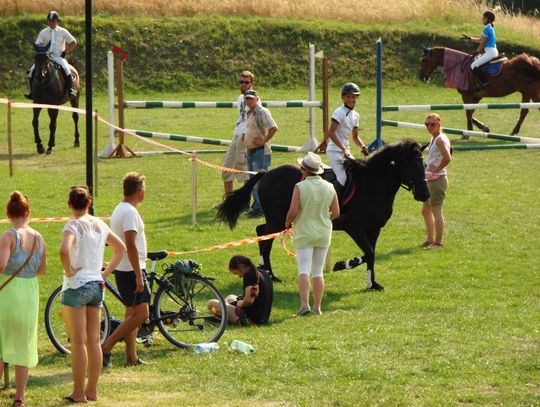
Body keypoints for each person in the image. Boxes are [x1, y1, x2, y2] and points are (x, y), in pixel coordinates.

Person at [59, 187, 126, 403]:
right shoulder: (100, 224)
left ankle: (79, 392)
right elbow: (121, 248)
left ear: (70, 204)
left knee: (78, 342)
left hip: (76, 285)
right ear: (89, 203)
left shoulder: (73, 225)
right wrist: (105, 273)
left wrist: (69, 270)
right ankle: (92, 390)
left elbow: (64, 250)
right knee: (94, 341)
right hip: (96, 285)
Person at [0, 192, 47, 407]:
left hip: (8, 293)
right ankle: (20, 396)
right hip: (29, 292)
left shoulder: (8, 236)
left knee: (1, 343)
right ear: (28, 212)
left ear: (9, 214)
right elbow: (42, 269)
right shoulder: (39, 238)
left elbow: (2, 264)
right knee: (23, 345)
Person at [101, 172, 150, 368]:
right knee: (142, 314)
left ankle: (131, 357)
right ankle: (106, 346)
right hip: (131, 269)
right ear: (140, 191)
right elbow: (130, 244)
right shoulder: (129, 212)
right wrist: (139, 275)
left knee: (131, 314)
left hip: (124, 269)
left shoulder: (120, 209)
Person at [285, 153, 340, 316]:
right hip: (323, 232)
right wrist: (324, 218)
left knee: (303, 269)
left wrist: (287, 223)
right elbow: (336, 212)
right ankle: (317, 307)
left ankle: (304, 305)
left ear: (303, 170)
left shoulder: (299, 187)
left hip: (304, 232)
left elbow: (293, 211)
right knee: (317, 271)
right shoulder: (329, 187)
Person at [316, 82, 368, 190]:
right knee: (342, 178)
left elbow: (355, 137)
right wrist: (343, 149)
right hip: (334, 151)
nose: (351, 99)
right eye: (348, 97)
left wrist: (363, 146)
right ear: (343, 97)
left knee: (357, 172)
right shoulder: (339, 112)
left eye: (353, 97)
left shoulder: (356, 115)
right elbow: (331, 133)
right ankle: (333, 200)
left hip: (346, 152)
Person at [25, 10, 78, 100]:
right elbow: (38, 44)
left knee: (66, 69)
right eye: (49, 21)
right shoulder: (43, 32)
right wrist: (40, 49)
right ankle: (32, 92)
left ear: (57, 21)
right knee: (32, 70)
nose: (51, 23)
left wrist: (65, 51)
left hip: (58, 57)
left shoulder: (63, 31)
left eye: (53, 21)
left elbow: (73, 42)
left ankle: (70, 90)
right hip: (46, 58)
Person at [208, 255, 273, 326]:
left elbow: (248, 301)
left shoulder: (249, 275)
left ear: (240, 266)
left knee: (211, 303)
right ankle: (223, 313)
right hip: (262, 318)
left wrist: (240, 303)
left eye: (236, 273)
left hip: (251, 320)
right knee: (230, 297)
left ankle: (222, 315)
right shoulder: (263, 273)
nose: (239, 276)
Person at [243, 89, 278, 217]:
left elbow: (274, 128)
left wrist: (264, 141)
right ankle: (257, 207)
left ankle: (261, 209)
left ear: (257, 99)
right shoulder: (249, 113)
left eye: (251, 99)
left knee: (258, 182)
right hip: (251, 150)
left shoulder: (262, 112)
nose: (249, 101)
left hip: (260, 151)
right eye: (247, 99)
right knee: (253, 181)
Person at [221, 71, 256, 195]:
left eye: (246, 82)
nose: (243, 85)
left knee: (242, 170)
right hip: (236, 135)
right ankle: (229, 201)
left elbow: (256, 117)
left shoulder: (254, 98)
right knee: (226, 169)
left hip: (245, 136)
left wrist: (247, 135)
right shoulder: (240, 98)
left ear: (252, 83)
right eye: (241, 82)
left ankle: (245, 201)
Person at [421, 114, 452, 250]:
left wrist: (436, 169)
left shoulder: (439, 139)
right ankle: (430, 240)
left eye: (432, 124)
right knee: (426, 210)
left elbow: (447, 157)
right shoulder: (435, 138)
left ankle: (438, 243)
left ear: (439, 124)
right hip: (430, 179)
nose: (429, 127)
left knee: (436, 211)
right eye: (427, 124)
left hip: (437, 180)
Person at [468, 10, 498, 90]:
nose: (482, 19)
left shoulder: (487, 29)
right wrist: (470, 38)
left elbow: (482, 43)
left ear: (488, 20)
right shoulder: (489, 28)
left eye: (484, 18)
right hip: (492, 51)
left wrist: (476, 52)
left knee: (473, 65)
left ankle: (485, 82)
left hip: (490, 52)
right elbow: (480, 40)